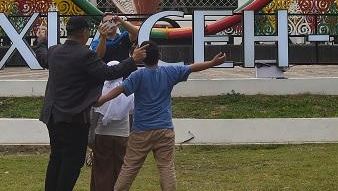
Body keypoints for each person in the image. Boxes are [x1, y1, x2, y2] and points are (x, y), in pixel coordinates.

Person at [33, 15, 147, 191]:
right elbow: (109, 72)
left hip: (53, 117)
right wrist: (133, 60)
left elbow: (42, 56)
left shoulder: (55, 51)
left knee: (56, 158)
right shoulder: (85, 55)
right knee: (71, 162)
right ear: (85, 33)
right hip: (74, 119)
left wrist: (41, 41)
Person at [96, 41, 226, 191]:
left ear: (142, 58)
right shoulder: (169, 72)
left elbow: (119, 89)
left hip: (141, 130)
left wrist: (101, 100)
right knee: (166, 168)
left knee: (130, 167)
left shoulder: (137, 75)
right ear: (159, 55)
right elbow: (192, 67)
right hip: (165, 129)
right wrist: (212, 62)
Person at [90, 61, 134, 191]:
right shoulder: (128, 90)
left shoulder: (100, 90)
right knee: (121, 169)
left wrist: (91, 136)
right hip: (123, 135)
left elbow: (95, 115)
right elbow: (132, 115)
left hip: (102, 135)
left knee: (102, 169)